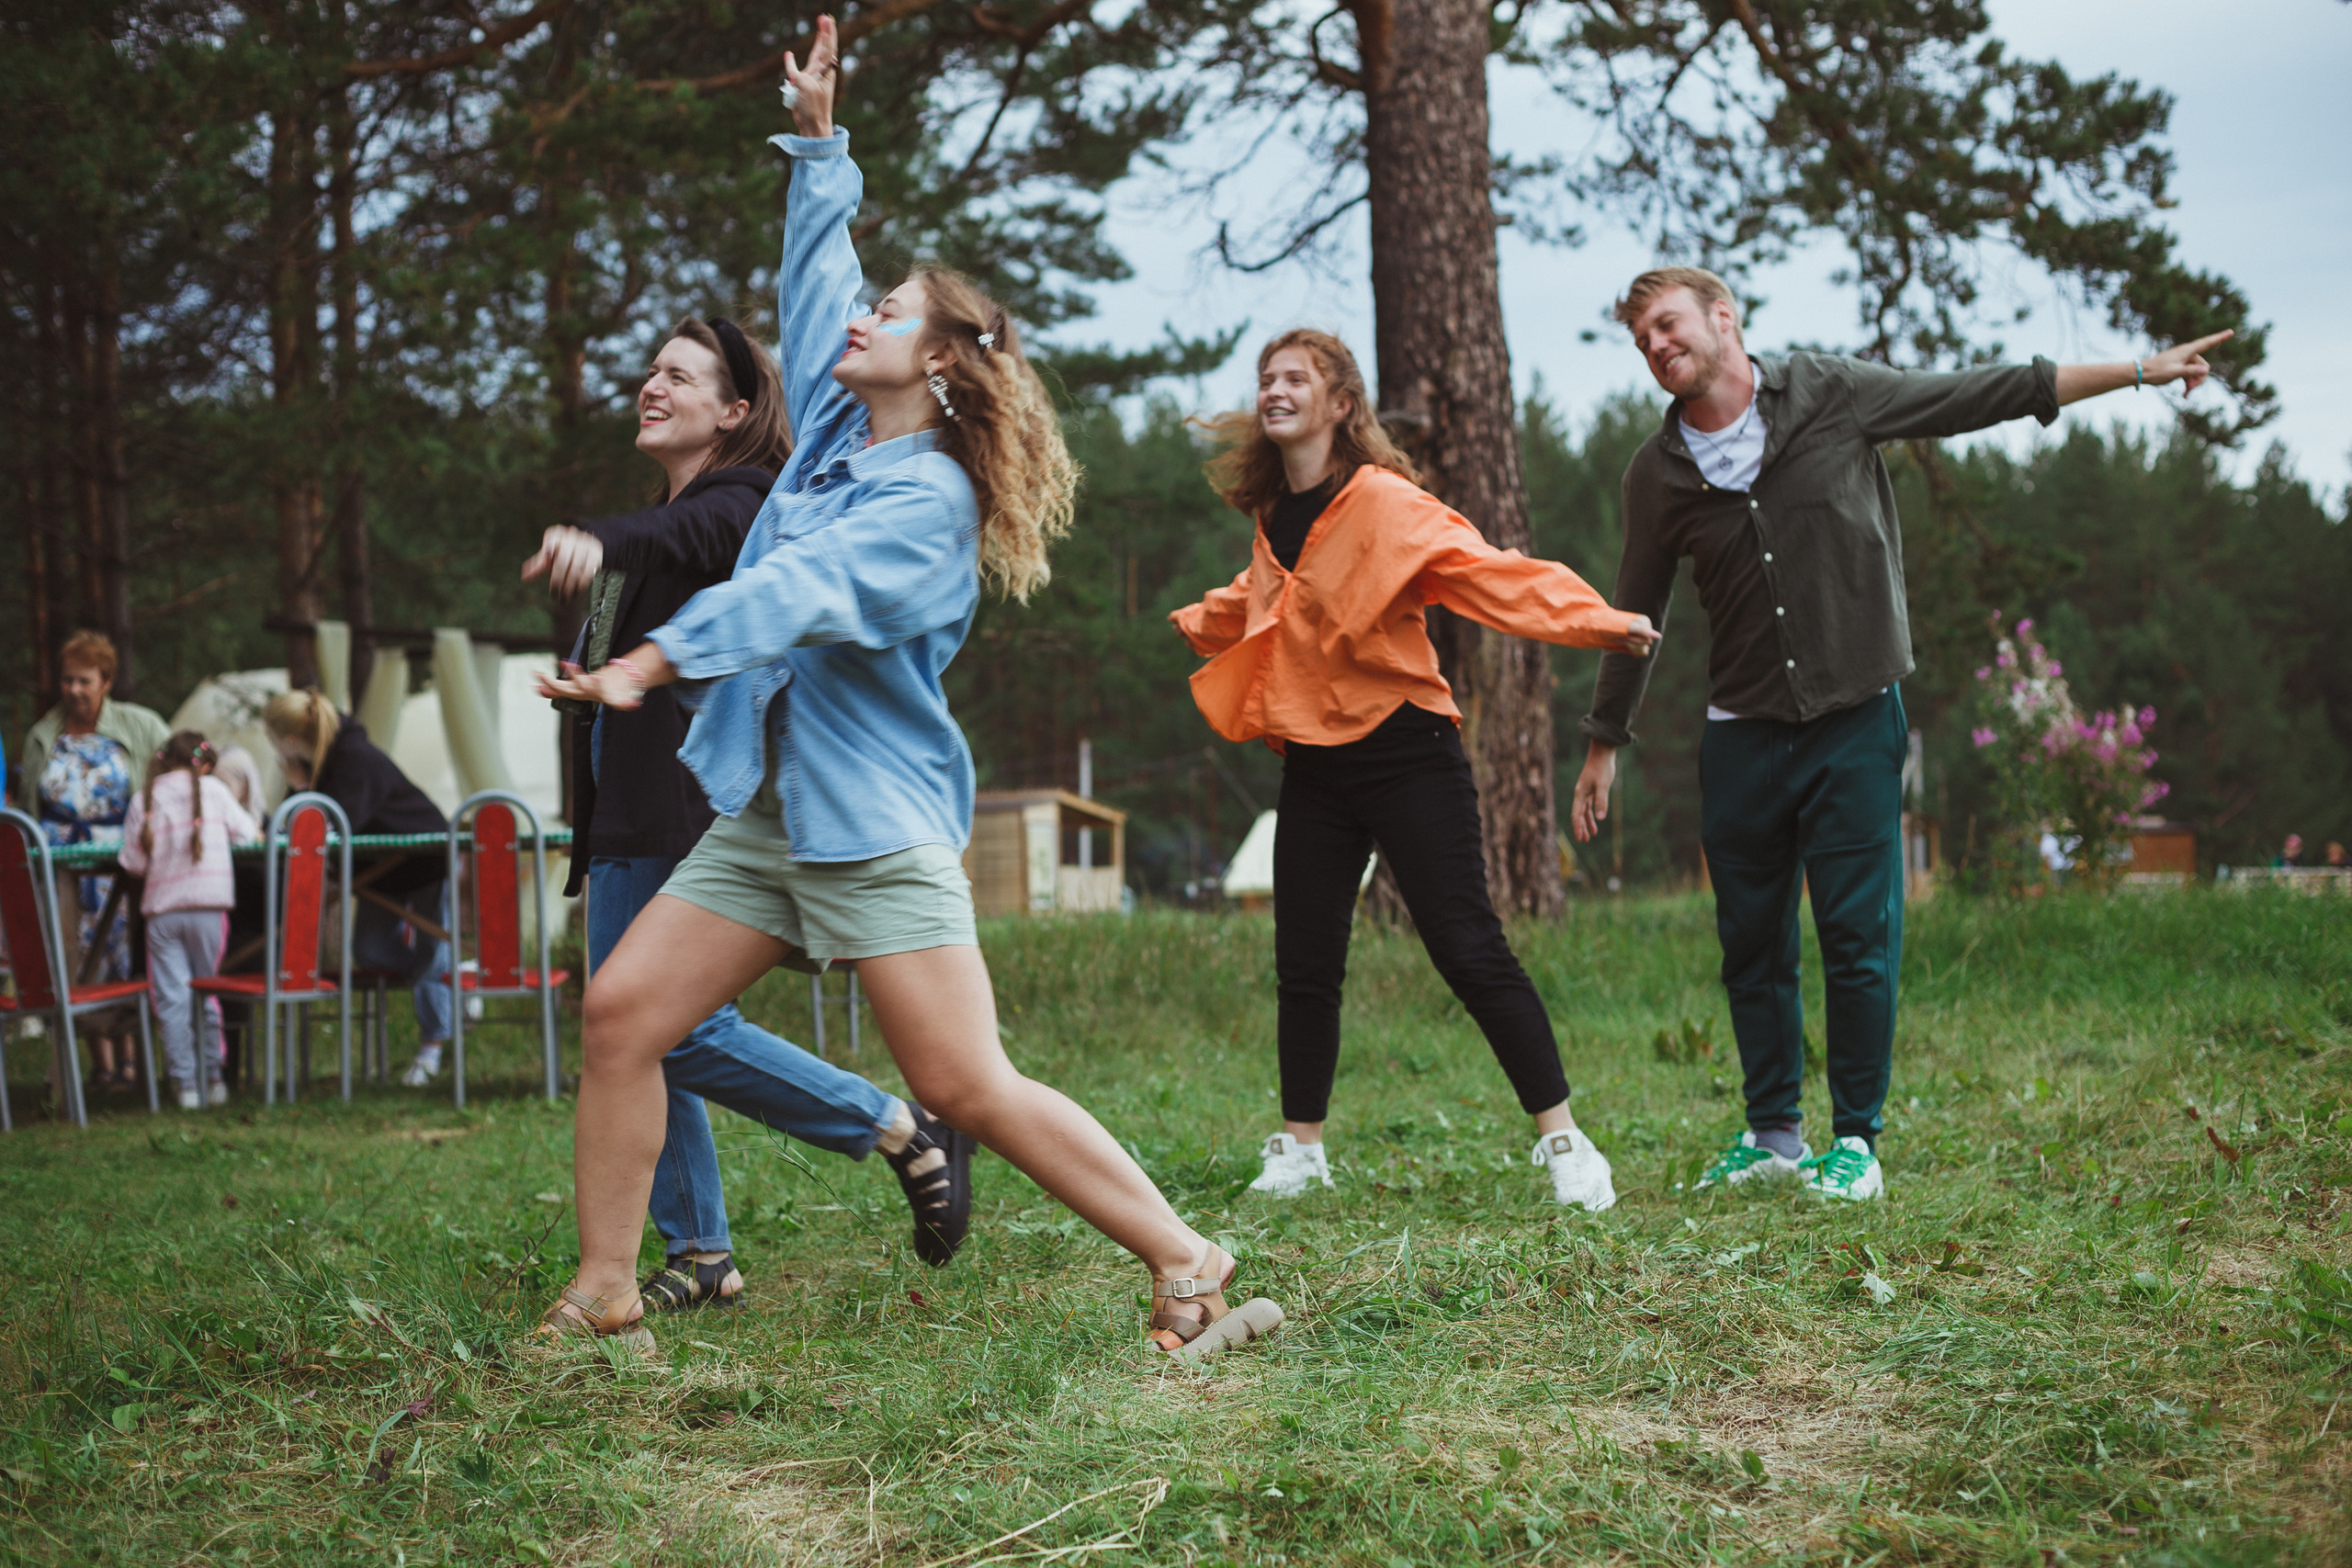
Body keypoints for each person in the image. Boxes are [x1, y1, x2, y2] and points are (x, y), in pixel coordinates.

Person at [529, 15, 1281, 1360]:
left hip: (872, 822)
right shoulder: (831, 420)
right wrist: (821, 147)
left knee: (961, 1082)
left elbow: (794, 596)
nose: (860, 321)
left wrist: (653, 653)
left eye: (893, 316)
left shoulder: (925, 501)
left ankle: (1187, 1255)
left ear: (937, 360)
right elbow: (822, 283)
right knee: (625, 1011)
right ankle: (607, 1286)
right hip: (771, 811)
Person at [1572, 265, 2233, 1201]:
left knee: (1855, 934)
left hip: (1852, 721)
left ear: (1724, 318)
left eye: (1668, 325)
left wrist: (2135, 370)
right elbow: (1631, 611)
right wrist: (1604, 743)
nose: (1657, 347)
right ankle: (1771, 1137)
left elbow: (1981, 394)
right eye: (1641, 341)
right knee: (1750, 942)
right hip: (1741, 736)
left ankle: (1855, 1146)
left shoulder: (1831, 395)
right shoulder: (1659, 472)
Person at [521, 311, 975, 1305]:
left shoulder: (736, 504)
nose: (653, 386)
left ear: (734, 409)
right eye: (649, 371)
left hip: (687, 800)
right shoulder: (655, 520)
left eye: (679, 376)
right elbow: (613, 633)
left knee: (667, 1028)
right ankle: (702, 1253)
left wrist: (599, 540)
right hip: (619, 808)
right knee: (629, 1029)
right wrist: (588, 677)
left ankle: (891, 1124)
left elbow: (686, 544)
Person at [1170, 331, 1659, 1212]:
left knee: (1468, 946)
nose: (1274, 390)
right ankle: (1301, 1150)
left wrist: (1599, 621)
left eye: (1295, 379)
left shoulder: (1386, 503)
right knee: (1305, 959)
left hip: (1406, 752)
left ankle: (1565, 1141)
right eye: (1265, 379)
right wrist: (1198, 619)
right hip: (1316, 760)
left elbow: (1491, 576)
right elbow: (1272, 601)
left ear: (1340, 405)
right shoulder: (1274, 513)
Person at [261, 689, 453, 1087]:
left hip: (426, 858)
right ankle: (451, 980)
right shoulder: (312, 768)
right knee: (370, 949)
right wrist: (299, 786)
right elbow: (294, 830)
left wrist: (301, 790)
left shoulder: (355, 761)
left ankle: (433, 1045)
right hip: (380, 875)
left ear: (290, 740)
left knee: (433, 950)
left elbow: (331, 828)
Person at [20, 630, 171, 1094]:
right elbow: (29, 807)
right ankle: (98, 1065)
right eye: (67, 681)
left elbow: (176, 779)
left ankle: (132, 1063)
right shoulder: (44, 735)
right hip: (60, 866)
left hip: (120, 867)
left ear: (106, 681)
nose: (74, 690)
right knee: (74, 959)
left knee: (122, 957)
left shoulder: (140, 726)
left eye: (85, 681)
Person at [118, 733, 261, 1109]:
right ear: (206, 765)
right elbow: (248, 834)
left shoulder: (143, 799)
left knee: (172, 999)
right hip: (210, 910)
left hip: (163, 913)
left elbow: (133, 863)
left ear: (163, 761)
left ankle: (185, 1087)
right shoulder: (214, 791)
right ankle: (215, 1078)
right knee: (206, 992)